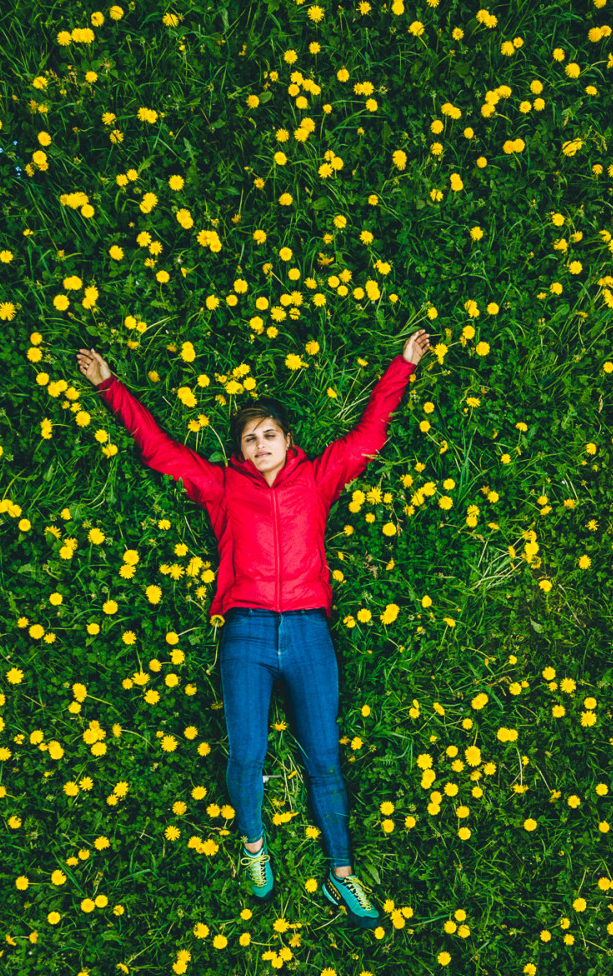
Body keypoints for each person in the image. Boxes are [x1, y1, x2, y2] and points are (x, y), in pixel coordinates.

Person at [76, 331, 431, 930]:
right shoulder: (222, 486)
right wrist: (110, 387)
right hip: (246, 633)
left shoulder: (316, 479)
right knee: (246, 752)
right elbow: (159, 450)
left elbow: (369, 437)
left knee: (324, 756)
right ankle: (253, 844)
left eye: (269, 435)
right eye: (250, 438)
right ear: (240, 450)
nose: (260, 445)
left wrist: (403, 366)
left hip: (309, 633)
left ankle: (341, 872)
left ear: (288, 441)